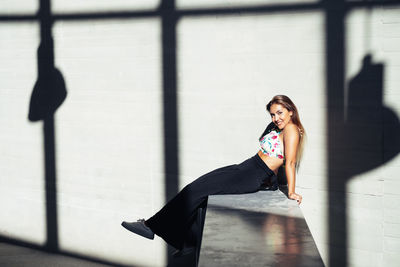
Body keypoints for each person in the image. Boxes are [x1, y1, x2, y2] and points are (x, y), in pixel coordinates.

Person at [122, 95, 306, 255]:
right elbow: (275, 155)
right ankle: (187, 241)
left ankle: (151, 226)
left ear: (290, 111)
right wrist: (270, 180)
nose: (276, 118)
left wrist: (291, 192)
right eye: (273, 114)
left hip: (251, 174)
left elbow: (289, 162)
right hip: (247, 167)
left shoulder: (291, 129)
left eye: (280, 112)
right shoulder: (281, 128)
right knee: (197, 190)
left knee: (196, 190)